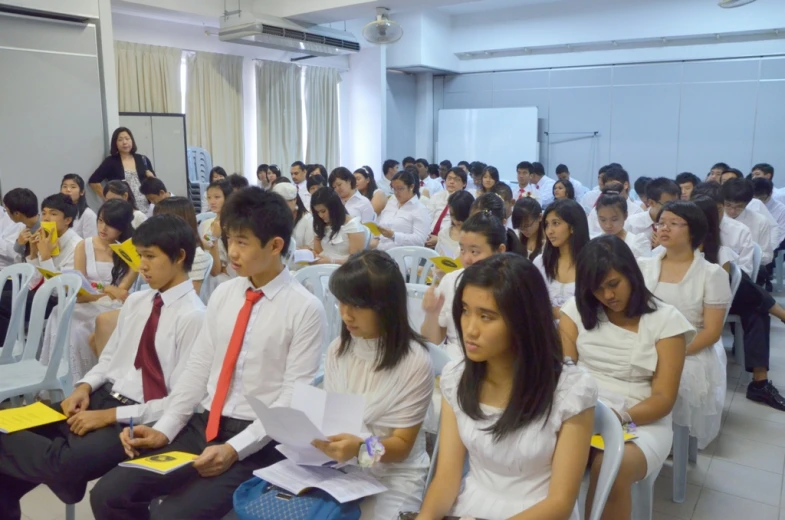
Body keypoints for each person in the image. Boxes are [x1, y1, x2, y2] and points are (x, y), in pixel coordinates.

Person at [90, 187, 327, 520]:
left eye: (242, 242)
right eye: (229, 239)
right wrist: (167, 427)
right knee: (109, 494)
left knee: (173, 514)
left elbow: (288, 401)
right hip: (204, 425)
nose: (232, 251)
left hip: (258, 440)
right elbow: (199, 370)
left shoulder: (305, 308)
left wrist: (234, 449)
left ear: (275, 246)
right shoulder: (226, 294)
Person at [0, 215, 205, 520]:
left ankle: (65, 473)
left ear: (179, 257)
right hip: (101, 398)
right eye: (139, 256)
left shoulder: (196, 318)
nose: (142, 266)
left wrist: (108, 416)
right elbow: (109, 360)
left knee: (63, 460)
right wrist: (83, 387)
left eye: (150, 257)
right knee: (7, 427)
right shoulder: (138, 302)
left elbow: (178, 403)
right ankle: (63, 477)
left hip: (134, 418)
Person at [417, 254, 597, 520]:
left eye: (486, 317)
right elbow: (446, 478)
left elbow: (560, 502)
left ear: (523, 321)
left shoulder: (570, 391)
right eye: (465, 311)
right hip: (470, 506)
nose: (469, 329)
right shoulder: (457, 379)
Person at [560, 236, 694, 520]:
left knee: (611, 463)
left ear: (631, 275)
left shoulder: (667, 322)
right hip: (581, 409)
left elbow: (663, 399)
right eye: (597, 289)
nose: (607, 296)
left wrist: (612, 419)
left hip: (639, 419)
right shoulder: (576, 311)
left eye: (613, 284)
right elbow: (565, 372)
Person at [316, 250, 433, 518]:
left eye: (356, 305)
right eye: (341, 302)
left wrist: (359, 451)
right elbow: (335, 417)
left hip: (395, 472)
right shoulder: (338, 350)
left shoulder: (413, 362)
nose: (346, 315)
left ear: (385, 306)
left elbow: (402, 446)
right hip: (342, 465)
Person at [638, 200, 731, 449]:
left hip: (689, 351)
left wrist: (669, 355)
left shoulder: (712, 274)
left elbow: (711, 332)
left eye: (674, 224)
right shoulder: (644, 266)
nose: (664, 229)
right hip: (643, 342)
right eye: (661, 223)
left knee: (673, 380)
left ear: (694, 231)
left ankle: (665, 443)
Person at [40, 199, 137, 382]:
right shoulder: (84, 245)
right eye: (100, 221)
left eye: (110, 224)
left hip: (113, 307)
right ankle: (60, 379)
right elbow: (80, 283)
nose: (103, 228)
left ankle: (88, 379)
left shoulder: (131, 250)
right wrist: (105, 290)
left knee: (77, 324)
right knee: (59, 312)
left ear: (123, 227)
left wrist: (110, 291)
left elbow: (121, 292)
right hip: (87, 300)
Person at [422, 209, 524, 361]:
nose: (466, 259)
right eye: (462, 250)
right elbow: (433, 341)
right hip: (450, 363)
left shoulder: (512, 287)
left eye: (475, 252)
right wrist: (432, 314)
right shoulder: (451, 281)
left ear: (500, 251)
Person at [0, 194, 83, 341]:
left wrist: (45, 257)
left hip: (59, 300)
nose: (45, 218)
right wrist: (33, 253)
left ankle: (9, 348)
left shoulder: (76, 246)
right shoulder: (46, 237)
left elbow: (59, 290)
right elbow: (34, 282)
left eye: (53, 214)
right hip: (41, 293)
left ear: (67, 220)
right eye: (44, 213)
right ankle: (9, 344)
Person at [534, 199, 590, 319]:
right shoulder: (540, 262)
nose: (549, 231)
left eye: (556, 223)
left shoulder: (591, 262)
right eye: (547, 224)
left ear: (573, 227)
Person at [153, 197, 212, 296]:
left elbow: (191, 295)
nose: (154, 226)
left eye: (159, 221)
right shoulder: (163, 247)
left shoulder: (197, 256)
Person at [89, 127, 155, 214]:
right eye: (120, 140)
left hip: (147, 207)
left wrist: (152, 177)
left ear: (132, 141)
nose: (125, 142)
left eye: (127, 139)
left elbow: (154, 183)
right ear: (115, 143)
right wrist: (107, 199)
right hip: (123, 209)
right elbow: (93, 181)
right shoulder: (111, 161)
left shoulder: (142, 159)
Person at [722, 178, 775, 268]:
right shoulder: (716, 218)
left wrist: (748, 254)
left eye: (739, 207)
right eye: (728, 205)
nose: (732, 211)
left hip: (747, 270)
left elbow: (767, 257)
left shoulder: (760, 221)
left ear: (747, 203)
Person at [373, 170, 432, 251]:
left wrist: (394, 235)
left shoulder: (419, 209)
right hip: (381, 250)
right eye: (394, 189)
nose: (396, 193)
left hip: (403, 255)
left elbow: (420, 240)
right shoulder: (391, 203)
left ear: (411, 187)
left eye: (400, 189)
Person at [311, 187, 365, 265]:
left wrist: (332, 261)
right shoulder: (320, 224)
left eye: (323, 211)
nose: (320, 215)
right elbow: (318, 251)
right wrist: (313, 255)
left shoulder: (352, 225)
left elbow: (356, 261)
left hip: (345, 271)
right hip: (324, 267)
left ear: (334, 208)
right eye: (317, 212)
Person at [199, 179, 235, 297]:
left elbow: (217, 271)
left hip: (228, 279)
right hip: (207, 272)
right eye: (209, 198)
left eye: (217, 197)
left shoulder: (234, 225)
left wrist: (214, 238)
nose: (212, 202)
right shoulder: (205, 224)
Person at [595, 186, 651, 258]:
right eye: (603, 220)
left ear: (625, 215)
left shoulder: (636, 243)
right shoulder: (595, 242)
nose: (608, 225)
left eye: (614, 219)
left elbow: (644, 267)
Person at [625, 177, 681, 247]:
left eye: (676, 204)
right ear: (651, 203)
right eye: (668, 204)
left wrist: (662, 247)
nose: (673, 209)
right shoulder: (632, 223)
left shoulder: (680, 224)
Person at [587, 167, 643, 235]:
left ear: (625, 185)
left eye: (615, 185)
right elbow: (589, 233)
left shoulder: (637, 211)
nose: (612, 189)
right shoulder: (596, 210)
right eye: (608, 186)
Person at [752, 177, 785, 289]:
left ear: (770, 193)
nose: (758, 201)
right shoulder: (750, 203)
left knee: (765, 258)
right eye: (754, 196)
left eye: (761, 198)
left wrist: (768, 248)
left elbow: (780, 232)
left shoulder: (781, 209)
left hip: (773, 241)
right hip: (753, 238)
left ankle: (764, 278)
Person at [425, 167, 470, 248]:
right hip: (429, 238)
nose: (451, 182)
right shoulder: (437, 196)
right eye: (449, 178)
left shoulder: (466, 201)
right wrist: (426, 236)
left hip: (451, 241)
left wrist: (439, 239)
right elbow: (427, 218)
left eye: (456, 179)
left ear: (464, 184)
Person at [272, 182, 315, 252]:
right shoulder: (277, 219)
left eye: (283, 203)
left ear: (295, 200)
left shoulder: (308, 220)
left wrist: (293, 250)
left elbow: (311, 248)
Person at [4, 188, 39, 265]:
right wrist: (19, 244)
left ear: (17, 214)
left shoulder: (42, 230)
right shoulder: (23, 227)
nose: (6, 213)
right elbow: (18, 258)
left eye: (7, 210)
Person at [435, 191, 474, 259]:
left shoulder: (478, 236)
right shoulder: (443, 233)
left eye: (461, 215)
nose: (457, 220)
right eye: (453, 215)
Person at [62, 174, 98, 239]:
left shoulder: (88, 214)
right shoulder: (58, 212)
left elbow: (90, 243)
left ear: (82, 192)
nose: (68, 190)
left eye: (73, 187)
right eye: (64, 186)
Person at [512, 196, 545, 260]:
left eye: (527, 225)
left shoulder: (548, 242)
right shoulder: (518, 237)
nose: (523, 230)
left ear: (540, 217)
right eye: (520, 227)